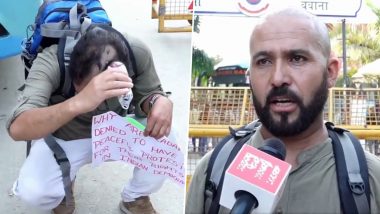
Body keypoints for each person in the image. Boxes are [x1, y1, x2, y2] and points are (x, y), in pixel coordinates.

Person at [186, 7, 380, 214]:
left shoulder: (371, 178)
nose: (278, 78)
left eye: (297, 58)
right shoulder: (212, 171)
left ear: (330, 72)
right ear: (250, 76)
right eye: (264, 62)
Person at [6, 24, 173, 214]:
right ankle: (64, 186)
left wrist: (157, 101)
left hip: (114, 131)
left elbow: (149, 93)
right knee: (34, 191)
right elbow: (17, 127)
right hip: (66, 137)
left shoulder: (135, 51)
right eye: (79, 85)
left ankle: (136, 197)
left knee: (166, 138)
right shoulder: (51, 60)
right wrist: (79, 102)